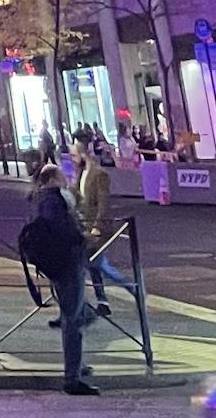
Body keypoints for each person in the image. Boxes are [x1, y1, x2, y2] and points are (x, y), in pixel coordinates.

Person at [24, 162, 94, 396]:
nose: (66, 181)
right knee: (73, 319)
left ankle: (77, 365)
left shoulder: (40, 199)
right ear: (54, 179)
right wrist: (80, 238)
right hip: (66, 263)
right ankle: (72, 377)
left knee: (75, 314)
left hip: (56, 265)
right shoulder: (53, 200)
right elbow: (61, 231)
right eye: (62, 177)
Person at [72, 132, 134, 312]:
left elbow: (103, 202)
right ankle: (103, 302)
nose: (72, 159)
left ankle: (131, 287)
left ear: (83, 154)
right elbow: (77, 196)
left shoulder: (100, 174)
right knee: (94, 264)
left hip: (96, 227)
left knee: (95, 264)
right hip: (84, 224)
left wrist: (98, 226)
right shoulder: (80, 173)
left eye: (74, 155)